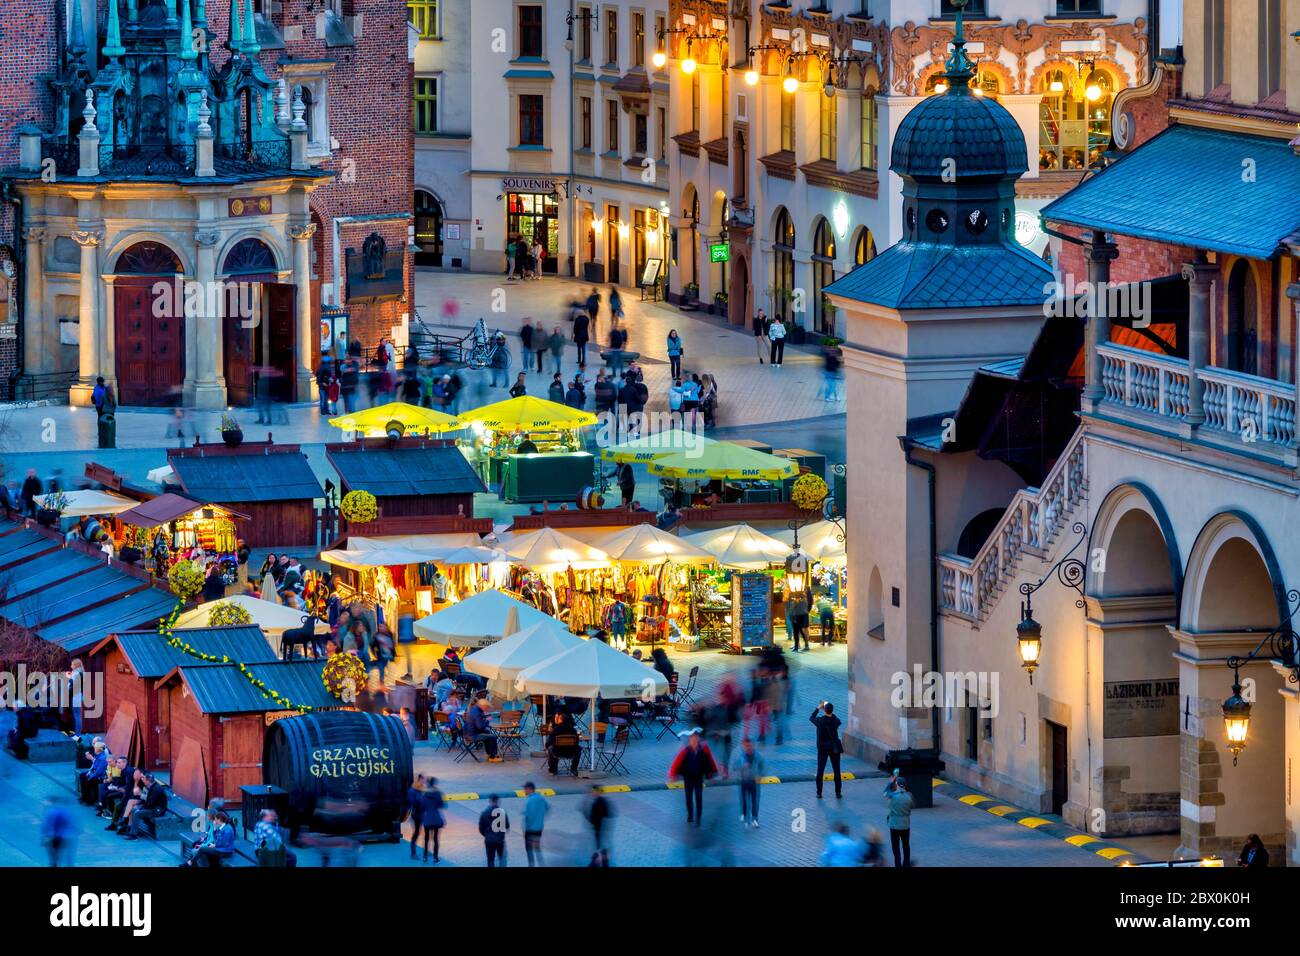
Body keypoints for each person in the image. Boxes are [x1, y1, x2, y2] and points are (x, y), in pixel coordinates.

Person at [668, 730, 718, 826]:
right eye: (692, 739)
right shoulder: (686, 751)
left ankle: (698, 817)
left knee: (699, 797)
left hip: (699, 777)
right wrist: (672, 775)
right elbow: (677, 762)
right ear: (690, 741)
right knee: (688, 797)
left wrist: (711, 774)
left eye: (696, 739)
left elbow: (709, 762)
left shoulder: (703, 751)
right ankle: (690, 815)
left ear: (698, 740)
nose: (694, 741)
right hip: (688, 777)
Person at [811, 701, 843, 799]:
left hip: (822, 748)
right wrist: (828, 710)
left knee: (820, 771)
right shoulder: (836, 721)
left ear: (824, 710)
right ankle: (838, 793)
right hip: (834, 748)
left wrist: (818, 708)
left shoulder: (820, 721)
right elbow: (836, 719)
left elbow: (811, 718)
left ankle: (819, 793)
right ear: (832, 711)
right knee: (837, 770)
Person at [122, 772, 169, 840]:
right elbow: (149, 802)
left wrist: (141, 808)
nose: (142, 780)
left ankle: (133, 835)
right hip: (153, 807)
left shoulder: (156, 789)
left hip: (158, 810)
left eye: (144, 778)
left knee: (137, 813)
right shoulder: (152, 786)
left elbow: (151, 803)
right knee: (134, 809)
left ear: (148, 780)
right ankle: (131, 829)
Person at [884, 773, 915, 867]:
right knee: (906, 845)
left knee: (895, 847)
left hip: (893, 825)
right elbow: (912, 806)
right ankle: (906, 864)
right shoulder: (909, 796)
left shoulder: (892, 795)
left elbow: (885, 792)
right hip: (905, 825)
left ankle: (898, 864)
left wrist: (890, 782)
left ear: (896, 784)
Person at [733, 737, 764, 828]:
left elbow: (762, 766)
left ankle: (754, 819)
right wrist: (741, 770)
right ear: (743, 746)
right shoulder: (741, 757)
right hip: (744, 782)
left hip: (754, 782)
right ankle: (746, 818)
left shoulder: (757, 756)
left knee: (755, 801)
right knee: (744, 801)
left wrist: (760, 775)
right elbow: (735, 768)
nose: (748, 748)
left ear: (753, 745)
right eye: (746, 746)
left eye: (750, 746)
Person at [41, 795, 76, 867]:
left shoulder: (50, 812)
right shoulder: (68, 813)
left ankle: (54, 863)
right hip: (66, 836)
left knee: (54, 855)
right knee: (66, 855)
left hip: (53, 836)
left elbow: (46, 825)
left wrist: (43, 837)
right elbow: (72, 825)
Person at [583, 784, 614, 866]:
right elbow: (608, 815)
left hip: (599, 830)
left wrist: (584, 810)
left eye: (593, 791)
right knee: (602, 850)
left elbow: (592, 818)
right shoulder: (604, 801)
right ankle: (602, 862)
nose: (592, 793)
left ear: (597, 792)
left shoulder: (598, 803)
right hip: (601, 830)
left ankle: (596, 862)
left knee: (599, 850)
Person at [522, 781, 549, 867]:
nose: (524, 791)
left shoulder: (530, 800)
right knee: (537, 847)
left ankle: (531, 864)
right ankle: (541, 864)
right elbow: (548, 808)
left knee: (529, 848)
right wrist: (540, 818)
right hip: (539, 828)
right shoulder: (541, 797)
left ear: (530, 789)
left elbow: (529, 816)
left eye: (525, 789)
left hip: (530, 829)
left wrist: (525, 828)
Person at [478, 794, 509, 867]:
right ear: (498, 801)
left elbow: (481, 828)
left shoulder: (484, 813)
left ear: (490, 801)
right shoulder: (502, 812)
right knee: (502, 859)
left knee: (490, 860)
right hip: (500, 840)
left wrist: (487, 835)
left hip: (489, 840)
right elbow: (507, 826)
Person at [546, 711, 581, 776]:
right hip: (571, 752)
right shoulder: (572, 730)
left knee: (550, 747)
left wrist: (546, 746)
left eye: (559, 718)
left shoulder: (556, 729)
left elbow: (549, 741)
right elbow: (577, 741)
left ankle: (552, 769)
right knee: (578, 749)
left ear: (561, 720)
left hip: (557, 752)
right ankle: (574, 768)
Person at [420, 777, 446, 862]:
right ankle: (435, 858)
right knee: (435, 839)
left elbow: (422, 807)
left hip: (427, 819)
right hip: (436, 819)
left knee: (426, 838)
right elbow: (441, 808)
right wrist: (443, 819)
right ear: (434, 784)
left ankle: (425, 857)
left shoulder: (424, 795)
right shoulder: (439, 794)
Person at [406, 774, 426, 860]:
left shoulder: (423, 789)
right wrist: (421, 801)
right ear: (419, 779)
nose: (425, 782)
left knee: (427, 832)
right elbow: (412, 802)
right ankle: (413, 853)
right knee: (416, 833)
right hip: (416, 815)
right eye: (423, 780)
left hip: (423, 814)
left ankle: (426, 851)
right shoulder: (412, 790)